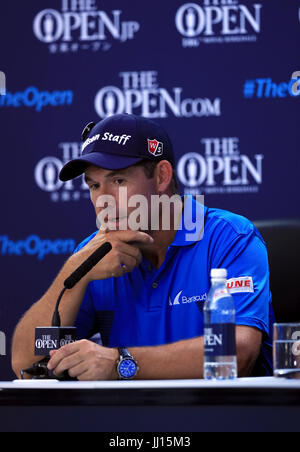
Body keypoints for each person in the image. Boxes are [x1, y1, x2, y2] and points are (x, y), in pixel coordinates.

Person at [12, 113, 274, 380]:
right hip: (127, 420)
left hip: (223, 418)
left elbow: (237, 353)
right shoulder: (93, 253)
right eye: (93, 185)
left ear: (161, 177)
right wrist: (74, 274)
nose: (102, 201)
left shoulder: (229, 238)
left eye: (118, 181)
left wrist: (120, 363)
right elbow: (25, 364)